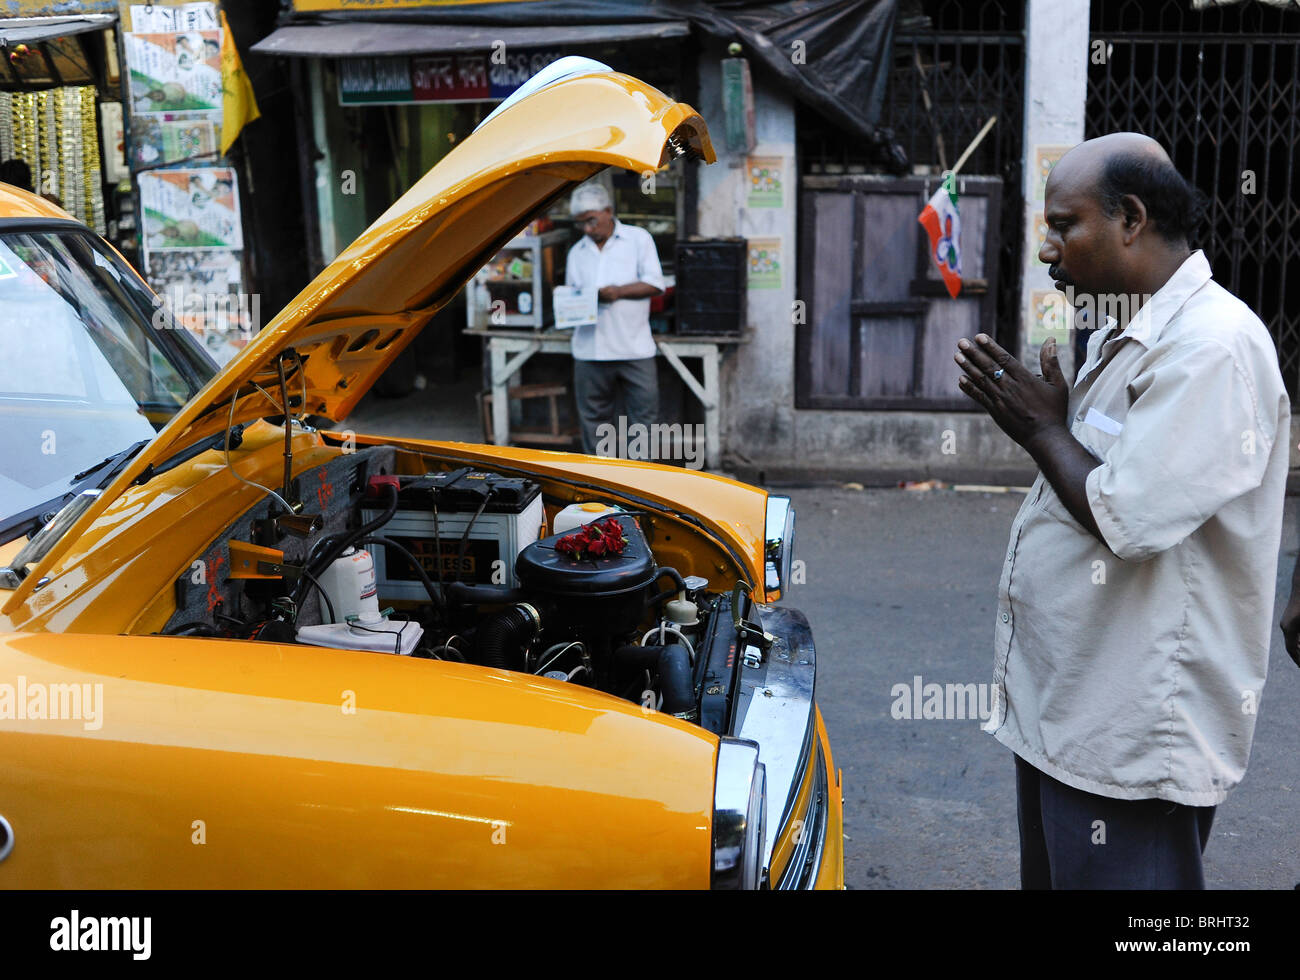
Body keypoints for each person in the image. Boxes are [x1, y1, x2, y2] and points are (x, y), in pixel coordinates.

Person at [953, 132, 1289, 889]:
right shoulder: (1120, 334)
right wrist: (1059, 426)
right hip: (1068, 710)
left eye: (1064, 226)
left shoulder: (1213, 347)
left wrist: (1041, 430)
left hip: (1130, 736)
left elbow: (1126, 517)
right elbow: (1110, 475)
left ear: (1130, 218)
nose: (1048, 250)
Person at [563, 182, 664, 457]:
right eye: (580, 224)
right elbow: (572, 296)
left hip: (634, 348)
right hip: (590, 350)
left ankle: (642, 486)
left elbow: (655, 284)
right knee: (594, 424)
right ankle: (601, 487)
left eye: (591, 220)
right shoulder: (577, 253)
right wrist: (572, 301)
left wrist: (616, 292)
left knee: (644, 422)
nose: (586, 229)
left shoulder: (638, 239)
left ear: (608, 211)